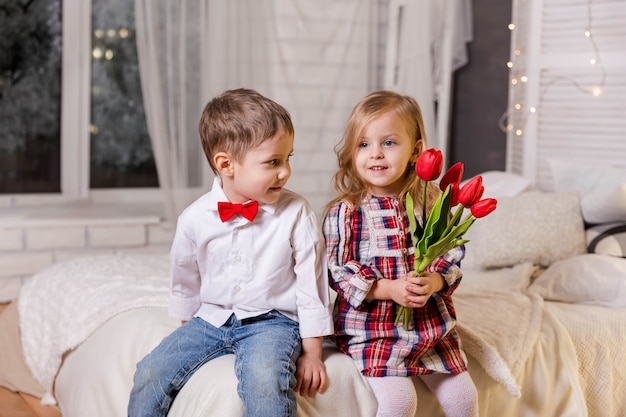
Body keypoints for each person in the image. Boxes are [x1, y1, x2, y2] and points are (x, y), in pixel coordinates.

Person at [128, 88, 333, 417]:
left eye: (287, 158)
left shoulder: (297, 212)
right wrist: (187, 327)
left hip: (272, 323)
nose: (285, 172)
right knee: (150, 371)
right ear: (227, 165)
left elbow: (313, 285)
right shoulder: (194, 218)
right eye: (273, 162)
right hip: (211, 319)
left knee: (265, 380)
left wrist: (312, 353)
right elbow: (184, 277)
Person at [322, 90, 478, 417]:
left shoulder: (432, 203)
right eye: (364, 144)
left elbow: (452, 255)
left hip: (430, 328)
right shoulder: (346, 212)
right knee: (399, 402)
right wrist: (387, 289)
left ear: (416, 152)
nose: (375, 154)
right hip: (372, 331)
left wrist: (435, 281)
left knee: (464, 398)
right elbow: (337, 270)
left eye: (389, 143)